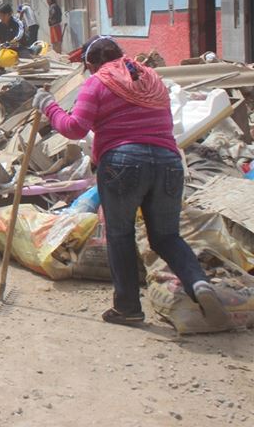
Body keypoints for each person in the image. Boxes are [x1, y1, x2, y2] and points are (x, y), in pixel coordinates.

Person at [32, 36, 229, 328]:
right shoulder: (151, 79)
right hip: (169, 163)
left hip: (124, 163)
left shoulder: (98, 82)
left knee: (121, 234)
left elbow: (75, 128)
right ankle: (199, 284)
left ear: (90, 64)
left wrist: (49, 107)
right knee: (167, 237)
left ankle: (127, 308)